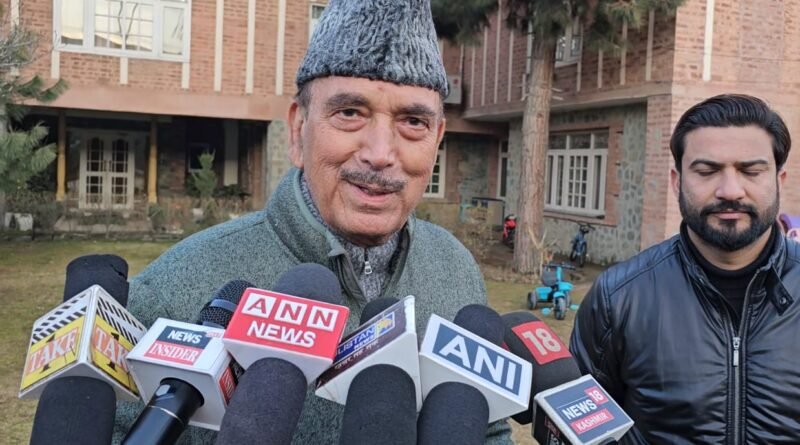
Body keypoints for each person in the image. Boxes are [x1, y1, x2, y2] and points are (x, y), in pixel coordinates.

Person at [112, 0, 512, 443]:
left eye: (413, 121)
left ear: (437, 140)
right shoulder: (173, 289)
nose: (380, 153)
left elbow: (489, 429)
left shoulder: (456, 268)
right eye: (350, 113)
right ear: (297, 129)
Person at [570, 94, 800, 444]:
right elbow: (578, 428)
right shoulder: (619, 297)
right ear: (677, 181)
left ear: (780, 180)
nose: (730, 191)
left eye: (751, 171)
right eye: (707, 171)